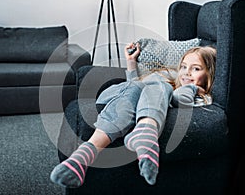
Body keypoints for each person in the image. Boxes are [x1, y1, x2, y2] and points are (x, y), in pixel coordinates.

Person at [50, 42, 217, 188]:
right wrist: (131, 61)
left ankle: (83, 156)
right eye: (184, 66)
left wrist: (192, 89)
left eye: (196, 69)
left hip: (127, 108)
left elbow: (182, 101)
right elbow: (134, 85)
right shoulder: (169, 78)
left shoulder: (204, 98)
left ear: (209, 74)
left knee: (158, 87)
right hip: (114, 98)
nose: (186, 72)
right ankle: (146, 130)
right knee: (156, 85)